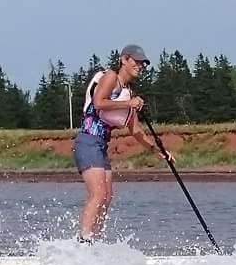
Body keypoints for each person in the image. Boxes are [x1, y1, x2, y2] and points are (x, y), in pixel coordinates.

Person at [73, 44, 173, 243]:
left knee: (107, 196)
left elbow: (136, 131)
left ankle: (95, 239)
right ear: (124, 60)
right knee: (98, 193)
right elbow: (99, 102)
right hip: (87, 141)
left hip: (100, 146)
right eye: (136, 61)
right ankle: (83, 240)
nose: (140, 66)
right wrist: (130, 103)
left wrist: (157, 150)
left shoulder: (128, 93)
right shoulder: (111, 77)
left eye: (142, 63)